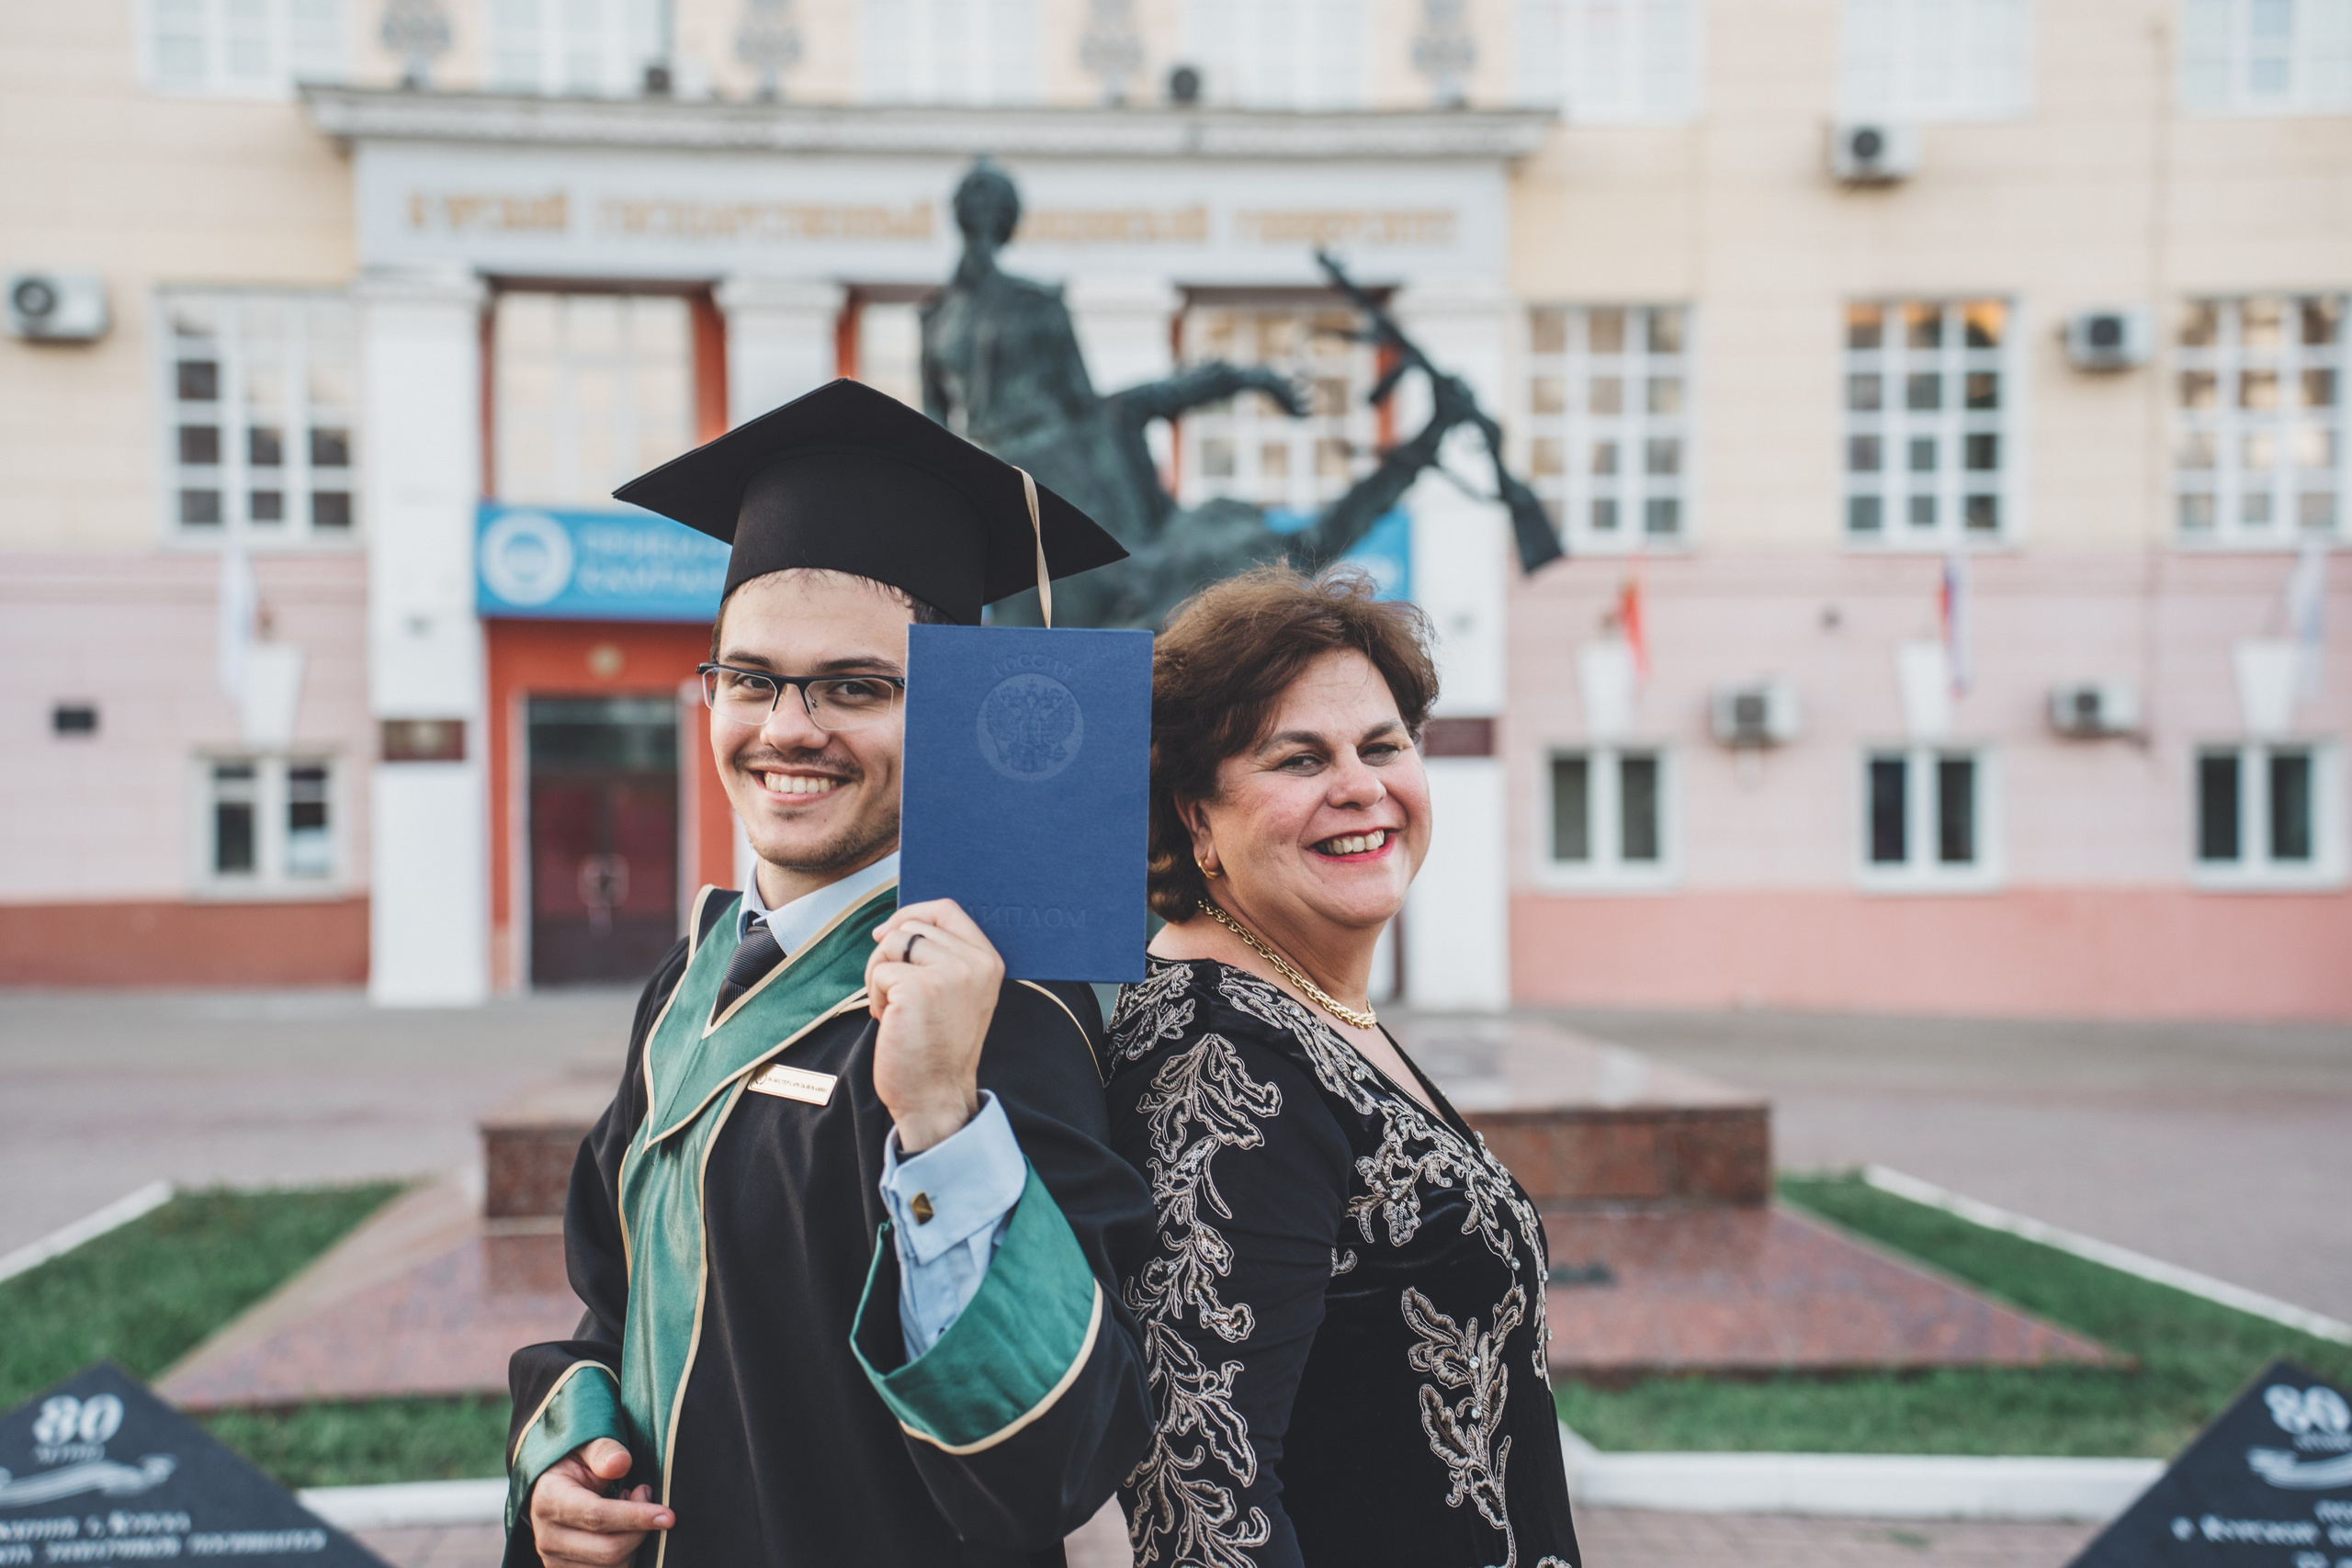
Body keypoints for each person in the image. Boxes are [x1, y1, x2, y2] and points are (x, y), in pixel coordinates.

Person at [503, 378, 1154, 1568]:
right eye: (749, 677)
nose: (786, 725)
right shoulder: (693, 974)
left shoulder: (1009, 1000)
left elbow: (1061, 1455)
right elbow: (617, 1301)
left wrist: (944, 1115)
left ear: (951, 711)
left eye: (856, 686)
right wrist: (566, 1458)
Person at [1106, 566, 1580, 1568]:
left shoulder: (1309, 1006)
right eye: (1297, 758)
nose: (1360, 787)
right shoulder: (1220, 1057)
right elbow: (1200, 1493)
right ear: (1195, 814)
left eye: (1382, 746)